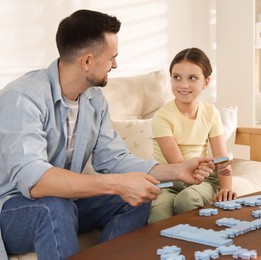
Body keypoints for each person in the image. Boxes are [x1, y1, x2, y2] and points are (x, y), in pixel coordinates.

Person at [0, 10, 214, 259]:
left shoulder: (94, 99)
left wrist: (176, 170)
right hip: (13, 210)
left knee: (137, 199)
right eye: (112, 57)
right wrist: (118, 184)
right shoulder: (23, 97)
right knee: (54, 207)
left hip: (66, 203)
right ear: (87, 61)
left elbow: (115, 159)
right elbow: (36, 182)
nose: (115, 64)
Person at [147, 48, 237, 224]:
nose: (183, 85)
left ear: (206, 82)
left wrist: (226, 189)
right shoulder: (162, 117)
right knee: (159, 215)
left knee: (187, 200)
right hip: (171, 178)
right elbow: (179, 166)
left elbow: (221, 159)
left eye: (192, 78)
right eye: (177, 77)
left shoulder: (211, 113)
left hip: (202, 178)